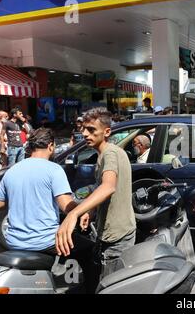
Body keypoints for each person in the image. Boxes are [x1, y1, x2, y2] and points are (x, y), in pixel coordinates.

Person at [0, 128, 97, 293]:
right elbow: (66, 205)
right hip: (46, 243)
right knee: (89, 250)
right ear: (51, 146)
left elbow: (0, 203)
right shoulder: (54, 169)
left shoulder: (11, 171)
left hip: (14, 242)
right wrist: (84, 209)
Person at [55, 107, 136, 280]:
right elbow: (104, 191)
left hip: (116, 237)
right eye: (84, 129)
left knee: (110, 286)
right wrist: (90, 212)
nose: (84, 134)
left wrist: (74, 214)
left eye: (91, 130)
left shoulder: (110, 154)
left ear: (107, 132)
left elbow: (108, 187)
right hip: (114, 232)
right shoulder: (104, 154)